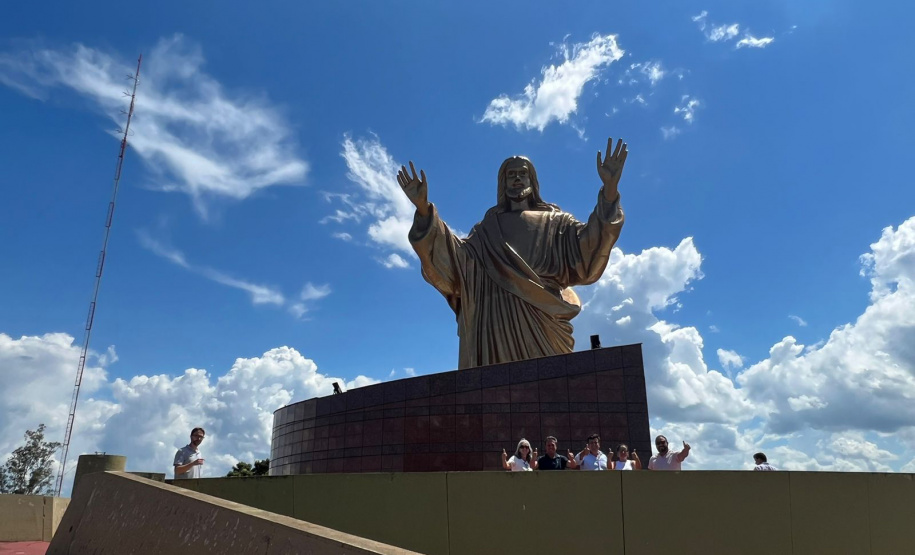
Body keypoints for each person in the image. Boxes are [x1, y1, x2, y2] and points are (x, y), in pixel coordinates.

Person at [398, 138, 627, 368]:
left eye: (523, 173)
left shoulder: (556, 222)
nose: (517, 178)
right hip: (492, 327)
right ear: (503, 182)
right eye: (511, 174)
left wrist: (609, 191)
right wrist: (424, 210)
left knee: (551, 390)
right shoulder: (486, 229)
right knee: (493, 396)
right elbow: (458, 262)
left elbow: (589, 247)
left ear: (532, 180)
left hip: (543, 323)